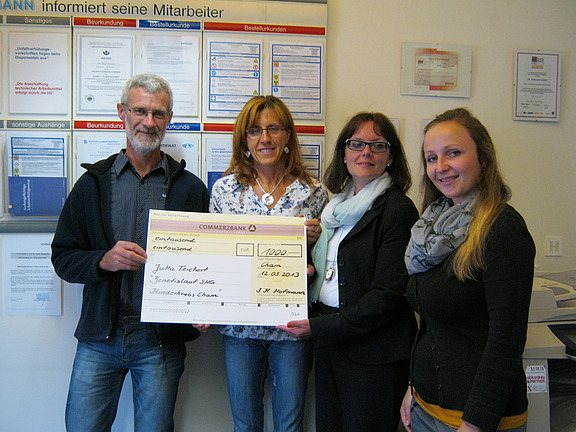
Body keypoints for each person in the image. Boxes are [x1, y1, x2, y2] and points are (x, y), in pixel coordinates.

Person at [51, 73, 209, 432]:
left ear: (169, 119)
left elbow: (207, 263)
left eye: (158, 113)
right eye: (140, 110)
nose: (148, 122)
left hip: (160, 341)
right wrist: (102, 260)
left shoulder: (190, 189)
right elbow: (62, 256)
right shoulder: (92, 184)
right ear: (122, 112)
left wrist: (205, 305)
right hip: (99, 337)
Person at [279, 112, 419, 432]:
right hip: (332, 346)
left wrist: (321, 327)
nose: (365, 152)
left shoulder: (398, 209)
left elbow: (388, 294)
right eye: (356, 144)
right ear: (344, 153)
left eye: (377, 145)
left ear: (391, 157)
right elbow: (334, 273)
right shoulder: (335, 210)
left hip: (374, 354)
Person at [401, 108, 535, 432]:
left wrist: (476, 423)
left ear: (483, 159)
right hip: (425, 407)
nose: (441, 167)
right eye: (431, 158)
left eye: (454, 153)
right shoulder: (431, 227)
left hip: (476, 419)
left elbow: (506, 340)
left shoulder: (502, 229)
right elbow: (431, 325)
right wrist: (413, 386)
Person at [208, 95, 328, 432]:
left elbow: (328, 263)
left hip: (291, 327)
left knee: (290, 424)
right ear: (244, 139)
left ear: (287, 135)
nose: (265, 138)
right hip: (240, 327)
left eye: (274, 128)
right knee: (245, 424)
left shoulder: (313, 192)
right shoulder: (225, 190)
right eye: (255, 131)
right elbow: (213, 255)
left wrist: (315, 245)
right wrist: (201, 304)